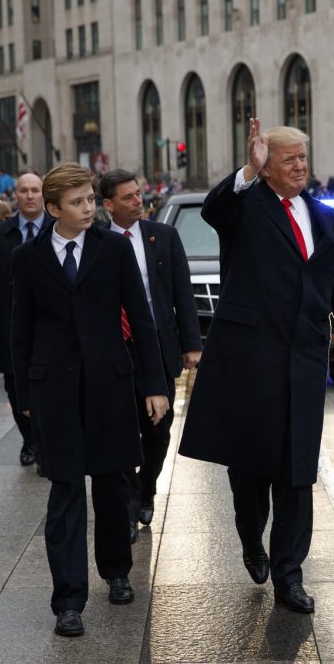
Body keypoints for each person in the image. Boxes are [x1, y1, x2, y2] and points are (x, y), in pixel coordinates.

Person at [179, 119, 334, 614]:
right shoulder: (245, 206)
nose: (300, 167)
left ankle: (290, 575)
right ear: (267, 167)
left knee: (296, 472)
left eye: (303, 159)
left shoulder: (327, 219)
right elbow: (214, 208)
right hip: (250, 360)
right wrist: (247, 166)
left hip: (304, 361)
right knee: (250, 471)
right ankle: (251, 537)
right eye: (288, 159)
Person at [11, 163, 169, 637]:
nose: (87, 208)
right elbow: (22, 330)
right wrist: (24, 397)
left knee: (112, 482)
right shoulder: (28, 257)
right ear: (53, 208)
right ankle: (68, 601)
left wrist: (154, 385)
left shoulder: (114, 248)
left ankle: (117, 570)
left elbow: (141, 320)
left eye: (88, 200)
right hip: (53, 389)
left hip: (110, 383)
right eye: (76, 202)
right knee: (64, 492)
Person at [100, 168, 202, 530]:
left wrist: (192, 345)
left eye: (138, 193)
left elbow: (182, 294)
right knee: (123, 429)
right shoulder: (98, 241)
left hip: (159, 346)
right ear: (108, 204)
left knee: (158, 430)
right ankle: (128, 507)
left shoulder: (164, 236)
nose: (137, 200)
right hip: (116, 349)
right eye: (127, 197)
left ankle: (146, 489)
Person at [0, 173, 50, 467]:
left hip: (49, 324)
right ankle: (30, 440)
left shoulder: (57, 229)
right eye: (25, 191)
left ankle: (48, 443)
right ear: (15, 196)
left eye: (36, 190)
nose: (31, 196)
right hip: (11, 325)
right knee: (15, 383)